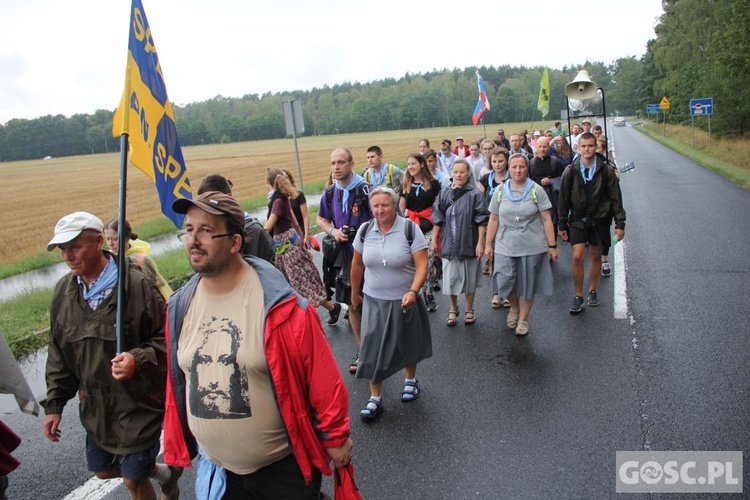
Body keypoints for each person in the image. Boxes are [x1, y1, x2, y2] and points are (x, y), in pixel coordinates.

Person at [164, 191, 353, 498]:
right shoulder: (179, 306)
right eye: (188, 230)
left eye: (206, 231)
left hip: (282, 473)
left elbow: (323, 379)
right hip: (217, 474)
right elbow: (177, 380)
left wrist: (335, 436)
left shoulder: (283, 306)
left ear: (235, 242)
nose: (193, 240)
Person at [42, 212, 181, 500]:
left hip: (138, 402)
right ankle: (166, 473)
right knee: (103, 471)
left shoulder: (136, 285)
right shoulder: (63, 293)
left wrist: (137, 358)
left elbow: (169, 338)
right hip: (96, 408)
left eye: (74, 247)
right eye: (62, 249)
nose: (67, 256)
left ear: (97, 242)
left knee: (134, 479)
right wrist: (55, 404)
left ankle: (154, 476)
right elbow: (59, 352)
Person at [351, 187, 432, 421]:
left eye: (384, 205)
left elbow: (422, 265)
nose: (380, 210)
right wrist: (355, 294)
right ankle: (375, 398)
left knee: (408, 342)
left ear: (394, 205)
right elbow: (357, 265)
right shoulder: (365, 230)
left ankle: (410, 380)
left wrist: (413, 291)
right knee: (371, 348)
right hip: (374, 300)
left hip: (404, 299)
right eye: (375, 206)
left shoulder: (409, 228)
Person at [484, 153, 559, 336]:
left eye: (522, 167)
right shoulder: (501, 190)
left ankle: (523, 318)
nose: (518, 170)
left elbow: (547, 219)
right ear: (509, 169)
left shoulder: (536, 190)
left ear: (527, 168)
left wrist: (552, 245)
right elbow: (493, 218)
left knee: (527, 284)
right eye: (514, 167)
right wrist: (488, 244)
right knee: (504, 281)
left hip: (532, 246)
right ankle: (514, 307)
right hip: (504, 245)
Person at [317, 148, 374, 374]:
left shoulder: (366, 190)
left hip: (369, 256)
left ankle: (379, 347)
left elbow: (383, 219)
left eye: (341, 162)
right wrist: (333, 232)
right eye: (333, 163)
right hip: (344, 257)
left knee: (374, 304)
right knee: (352, 303)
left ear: (352, 164)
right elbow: (320, 219)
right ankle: (364, 350)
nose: (336, 167)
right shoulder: (330, 193)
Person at [558, 132, 626, 313]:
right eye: (584, 146)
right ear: (578, 147)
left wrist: (620, 224)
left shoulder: (606, 171)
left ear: (596, 147)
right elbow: (563, 199)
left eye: (590, 146)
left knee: (596, 255)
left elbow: (616, 199)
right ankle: (578, 294)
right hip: (578, 220)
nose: (587, 149)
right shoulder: (570, 171)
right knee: (578, 255)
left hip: (600, 220)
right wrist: (562, 224)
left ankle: (592, 289)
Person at [264, 168, 342, 325]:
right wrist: (301, 241)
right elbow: (294, 223)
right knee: (298, 283)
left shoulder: (278, 201)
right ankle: (327, 309)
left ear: (267, 183)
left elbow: (267, 227)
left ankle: (324, 311)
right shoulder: (283, 198)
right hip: (289, 248)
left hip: (287, 250)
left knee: (300, 285)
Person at [431, 159, 488, 326]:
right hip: (449, 242)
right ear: (452, 173)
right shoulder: (444, 193)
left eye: (462, 172)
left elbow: (481, 220)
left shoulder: (475, 194)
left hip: (469, 241)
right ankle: (453, 307)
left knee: (469, 278)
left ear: (468, 173)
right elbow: (437, 219)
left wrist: (481, 243)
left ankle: (469, 309)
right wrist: (434, 241)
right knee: (450, 278)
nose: (458, 175)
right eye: (455, 172)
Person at [197, 173, 276, 264]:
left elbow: (269, 271)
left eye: (211, 204)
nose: (206, 211)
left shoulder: (254, 232)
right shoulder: (205, 234)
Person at [399, 153, 441, 312]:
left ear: (422, 164)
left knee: (427, 262)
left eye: (413, 163)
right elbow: (401, 210)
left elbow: (438, 209)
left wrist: (435, 235)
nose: (410, 167)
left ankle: (428, 293)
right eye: (408, 164)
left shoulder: (434, 184)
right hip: (410, 227)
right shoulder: (406, 184)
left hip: (428, 227)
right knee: (409, 262)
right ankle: (411, 292)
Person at [104, 218, 174, 300]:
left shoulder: (142, 259)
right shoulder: (106, 259)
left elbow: (158, 287)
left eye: (115, 239)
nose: (110, 243)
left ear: (126, 237)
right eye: (107, 239)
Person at [477, 148, 511, 308]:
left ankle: (510, 292)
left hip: (511, 223)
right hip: (492, 222)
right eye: (494, 161)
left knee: (510, 260)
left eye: (501, 161)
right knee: (495, 259)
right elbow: (478, 201)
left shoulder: (513, 177)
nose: (497, 165)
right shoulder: (485, 179)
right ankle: (497, 292)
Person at [529, 136, 564, 230]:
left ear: (549, 147)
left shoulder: (555, 162)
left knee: (552, 224)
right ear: (536, 147)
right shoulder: (531, 163)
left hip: (552, 199)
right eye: (540, 146)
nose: (542, 149)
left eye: (544, 147)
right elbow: (528, 180)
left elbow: (562, 179)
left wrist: (551, 181)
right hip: (536, 198)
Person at [283, 169, 310, 243]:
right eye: (282, 178)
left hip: (300, 231)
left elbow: (305, 216)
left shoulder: (298, 194)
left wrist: (306, 236)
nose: (285, 180)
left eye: (286, 177)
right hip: (288, 236)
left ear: (290, 179)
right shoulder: (280, 199)